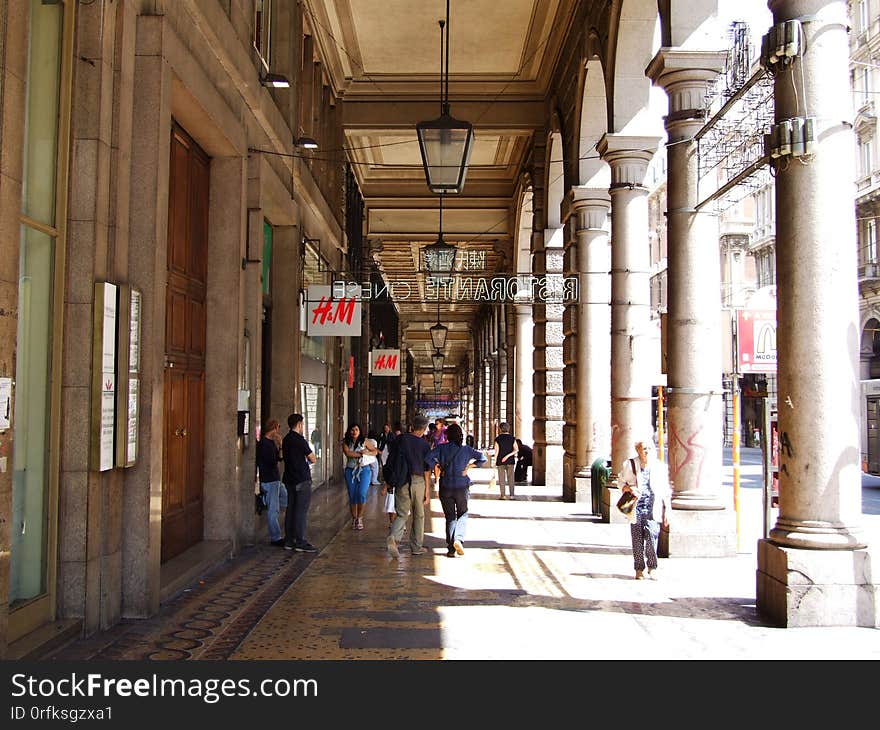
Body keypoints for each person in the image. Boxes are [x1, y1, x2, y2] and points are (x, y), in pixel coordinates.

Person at [427, 422, 487, 558]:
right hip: (461, 486)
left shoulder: (442, 448)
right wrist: (469, 467)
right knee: (463, 513)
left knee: (449, 517)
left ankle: (450, 549)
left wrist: (438, 466)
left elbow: (428, 458)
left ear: (447, 436)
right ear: (460, 436)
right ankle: (458, 539)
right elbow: (482, 458)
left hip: (445, 485)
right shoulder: (466, 449)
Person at [618, 435, 672, 580]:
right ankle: (639, 569)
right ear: (638, 450)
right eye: (643, 449)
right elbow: (620, 482)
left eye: (649, 448)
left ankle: (652, 567)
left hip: (652, 507)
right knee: (637, 538)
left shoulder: (659, 466)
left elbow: (665, 490)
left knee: (652, 536)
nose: (646, 451)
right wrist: (628, 489)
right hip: (636, 507)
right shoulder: (630, 464)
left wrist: (668, 510)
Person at [386, 415, 432, 558]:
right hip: (418, 481)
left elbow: (391, 459)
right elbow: (427, 469)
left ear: (412, 425)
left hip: (401, 480)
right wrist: (427, 490)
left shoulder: (400, 439)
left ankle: (394, 537)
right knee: (419, 515)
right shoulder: (424, 445)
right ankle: (416, 547)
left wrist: (388, 482)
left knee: (401, 513)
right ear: (424, 429)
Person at [282, 413, 318, 553]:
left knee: (291, 509)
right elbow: (313, 458)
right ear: (299, 424)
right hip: (302, 478)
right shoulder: (300, 440)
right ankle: (301, 540)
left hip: (289, 478)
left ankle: (289, 540)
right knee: (301, 510)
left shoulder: (286, 439)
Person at [256, 417, 285, 546]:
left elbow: (279, 459)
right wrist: (281, 446)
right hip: (269, 479)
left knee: (287, 499)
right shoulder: (264, 444)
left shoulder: (270, 443)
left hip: (275, 478)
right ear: (274, 428)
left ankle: (264, 501)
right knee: (273, 509)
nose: (279, 431)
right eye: (278, 427)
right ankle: (276, 537)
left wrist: (280, 447)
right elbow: (273, 461)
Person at [342, 423, 375, 530]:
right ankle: (354, 518)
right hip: (350, 470)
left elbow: (375, 451)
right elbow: (348, 453)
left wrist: (367, 453)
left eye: (356, 429)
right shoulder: (345, 441)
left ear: (360, 431)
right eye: (352, 430)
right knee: (352, 495)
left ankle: (360, 518)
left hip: (364, 470)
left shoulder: (365, 441)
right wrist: (361, 454)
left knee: (361, 493)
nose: (354, 432)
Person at [493, 422, 518, 500]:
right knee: (511, 478)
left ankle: (503, 495)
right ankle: (512, 495)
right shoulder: (512, 438)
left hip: (500, 461)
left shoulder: (497, 439)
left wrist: (494, 461)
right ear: (508, 428)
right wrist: (508, 456)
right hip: (510, 461)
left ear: (500, 429)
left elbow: (496, 451)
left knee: (501, 479)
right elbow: (516, 450)